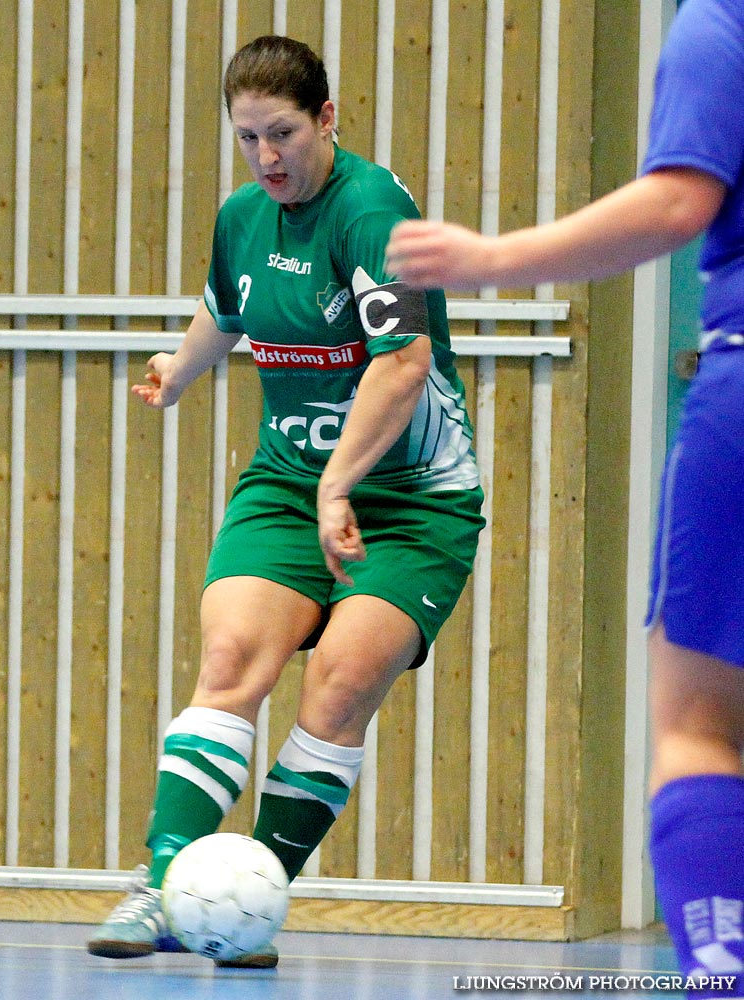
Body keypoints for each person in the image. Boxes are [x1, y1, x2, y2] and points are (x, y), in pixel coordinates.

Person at [87, 35, 484, 968]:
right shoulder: (241, 217)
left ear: (328, 120)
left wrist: (340, 483)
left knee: (340, 682)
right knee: (230, 655)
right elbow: (229, 308)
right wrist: (178, 372)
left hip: (414, 499)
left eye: (284, 134)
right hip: (286, 485)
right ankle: (164, 884)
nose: (267, 157)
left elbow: (404, 361)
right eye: (248, 138)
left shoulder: (372, 212)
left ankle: (248, 896)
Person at [386, 1, 744, 994]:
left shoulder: (720, 25)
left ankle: (723, 972)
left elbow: (677, 204)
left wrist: (490, 260)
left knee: (698, 723)